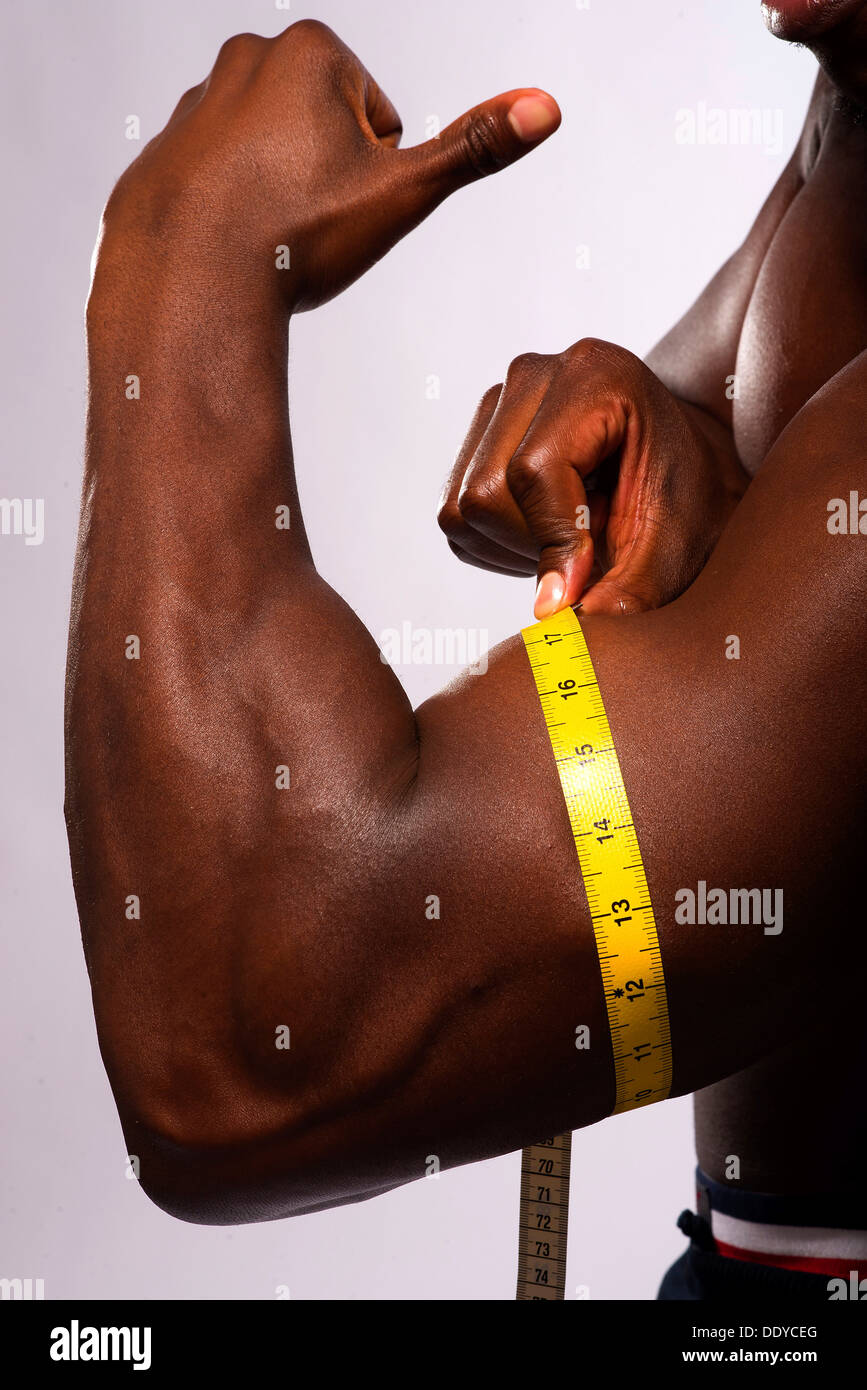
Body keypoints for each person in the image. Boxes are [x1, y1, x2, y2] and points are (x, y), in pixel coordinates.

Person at [66, 3, 867, 1301]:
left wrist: (181, 255)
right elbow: (775, 417)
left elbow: (242, 1053)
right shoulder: (851, 109)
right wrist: (695, 447)